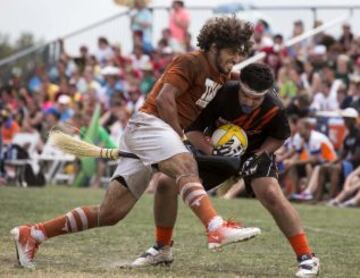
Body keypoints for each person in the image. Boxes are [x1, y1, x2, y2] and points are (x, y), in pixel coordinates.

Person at [10, 16, 260, 269]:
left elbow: (234, 76)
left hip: (148, 134)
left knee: (110, 213)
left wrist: (256, 81)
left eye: (240, 53)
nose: (236, 58)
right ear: (214, 46)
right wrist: (181, 138)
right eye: (233, 52)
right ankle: (216, 228)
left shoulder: (220, 71)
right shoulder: (190, 61)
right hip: (149, 125)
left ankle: (33, 234)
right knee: (186, 166)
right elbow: (164, 100)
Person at [131, 63, 320, 277]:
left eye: (256, 98)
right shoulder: (221, 95)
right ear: (239, 85)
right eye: (246, 95)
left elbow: (278, 137)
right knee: (165, 182)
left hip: (255, 151)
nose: (249, 102)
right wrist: (212, 151)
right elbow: (192, 130)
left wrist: (258, 156)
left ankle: (307, 257)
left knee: (271, 193)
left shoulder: (274, 106)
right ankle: (162, 248)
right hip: (214, 148)